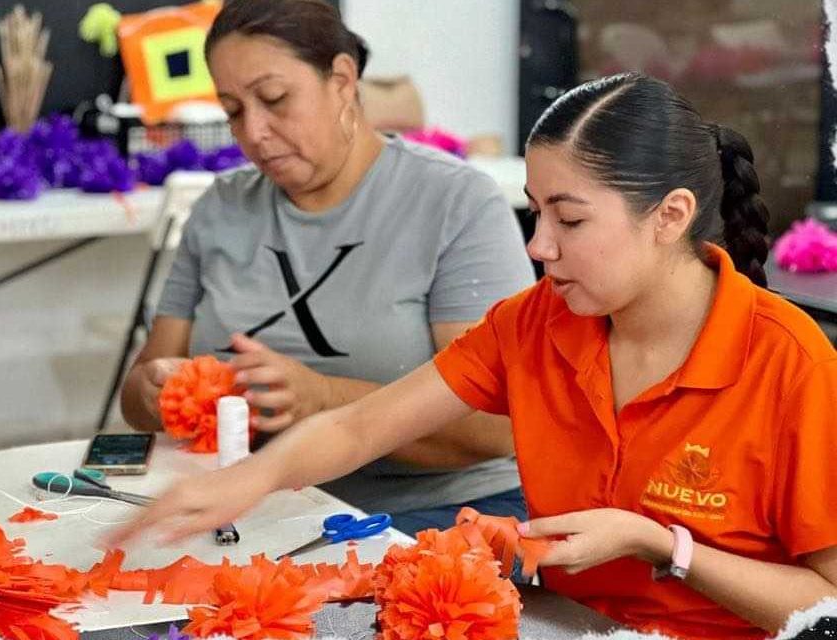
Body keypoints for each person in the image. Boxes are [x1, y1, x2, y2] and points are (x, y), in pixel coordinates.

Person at [112, 73, 837, 639]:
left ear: (669, 216)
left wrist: (658, 545)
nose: (538, 245)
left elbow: (826, 605)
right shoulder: (537, 322)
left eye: (569, 218)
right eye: (535, 210)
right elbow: (363, 428)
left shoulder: (791, 363)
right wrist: (247, 482)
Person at [118, 0, 535, 536]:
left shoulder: (455, 203)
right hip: (260, 506)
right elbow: (138, 393)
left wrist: (323, 398)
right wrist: (158, 390)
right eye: (232, 110)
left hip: (434, 514)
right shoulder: (220, 208)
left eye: (274, 99)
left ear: (341, 79)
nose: (255, 133)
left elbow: (498, 425)